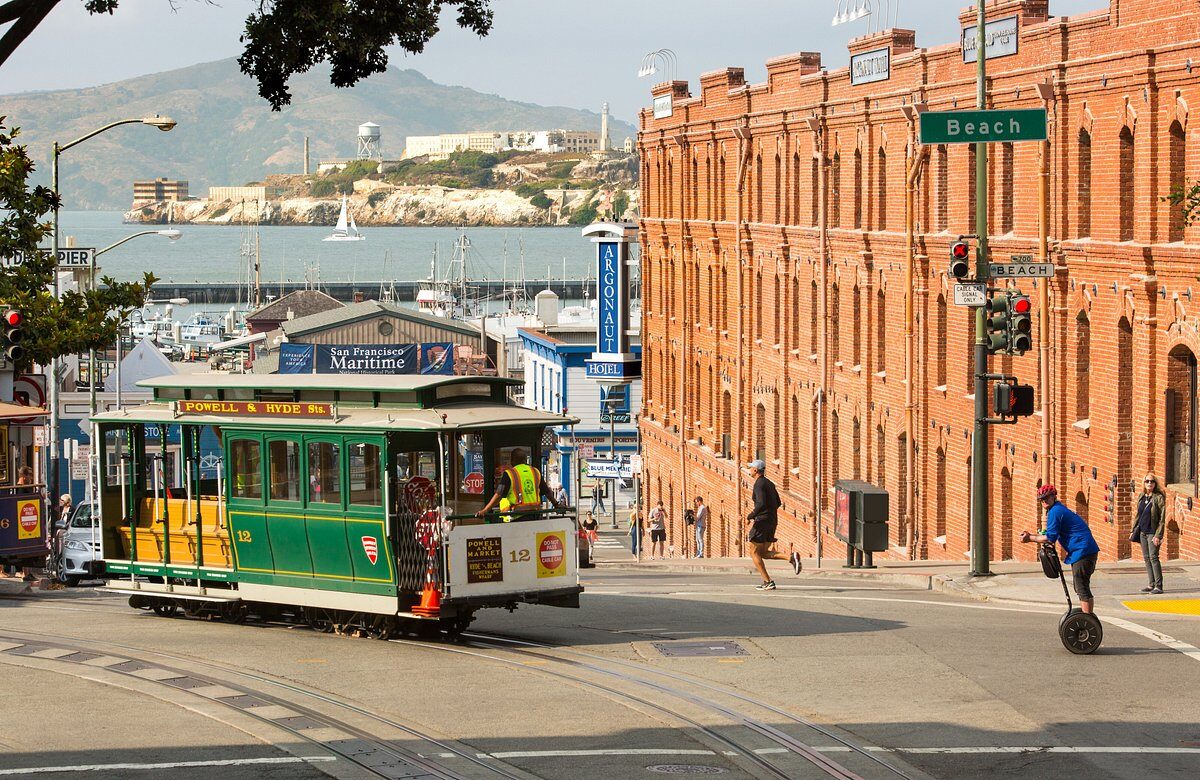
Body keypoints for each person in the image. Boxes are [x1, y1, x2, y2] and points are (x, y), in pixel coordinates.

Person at [1021, 484, 1101, 614]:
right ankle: (1088, 618)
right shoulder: (1057, 509)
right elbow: (1051, 534)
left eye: (1046, 498)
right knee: (1080, 586)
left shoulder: (1055, 511)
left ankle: (1088, 620)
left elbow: (1050, 538)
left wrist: (1030, 538)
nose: (1044, 501)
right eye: (1041, 499)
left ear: (1053, 496)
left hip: (1083, 552)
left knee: (1081, 587)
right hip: (1083, 551)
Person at [476, 448, 561, 520]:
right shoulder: (535, 471)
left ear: (512, 460)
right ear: (525, 460)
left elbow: (499, 495)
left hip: (518, 518)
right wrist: (556, 504)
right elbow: (547, 491)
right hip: (536, 516)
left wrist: (485, 510)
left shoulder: (509, 474)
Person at [745, 459, 780, 590]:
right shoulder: (770, 483)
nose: (749, 470)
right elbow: (778, 502)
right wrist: (769, 514)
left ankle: (768, 581)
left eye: (751, 468)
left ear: (755, 470)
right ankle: (791, 557)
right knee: (764, 552)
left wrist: (751, 515)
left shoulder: (759, 484)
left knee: (753, 552)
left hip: (762, 522)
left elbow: (760, 503)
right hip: (772, 521)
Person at [1132, 473, 1167, 594]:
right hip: (1143, 532)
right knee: (1147, 558)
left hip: (1153, 532)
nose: (1149, 483)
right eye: (1147, 481)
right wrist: (1133, 528)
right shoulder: (1142, 496)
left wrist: (1158, 535)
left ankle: (1159, 585)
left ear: (1155, 484)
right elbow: (1138, 514)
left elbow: (1162, 519)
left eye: (1152, 481)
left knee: (1154, 557)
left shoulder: (1158, 498)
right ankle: (1151, 584)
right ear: (1144, 483)